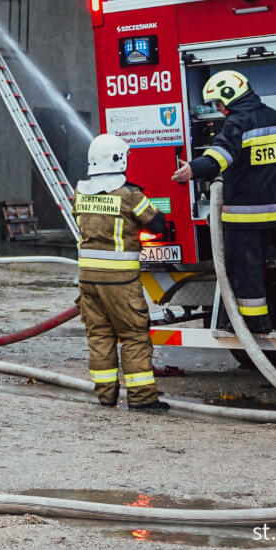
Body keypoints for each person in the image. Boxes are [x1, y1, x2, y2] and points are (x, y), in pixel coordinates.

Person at [171, 69, 276, 335]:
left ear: (230, 96)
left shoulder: (238, 123)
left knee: (244, 272)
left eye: (218, 102)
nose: (218, 108)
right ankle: (268, 316)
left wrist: (193, 169)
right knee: (269, 270)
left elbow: (220, 156)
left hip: (243, 217)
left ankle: (253, 323)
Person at [74, 132, 171, 412]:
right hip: (120, 281)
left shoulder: (80, 192)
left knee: (99, 336)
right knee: (133, 335)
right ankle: (142, 399)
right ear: (118, 160)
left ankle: (106, 396)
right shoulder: (129, 194)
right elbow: (157, 224)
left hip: (88, 280)